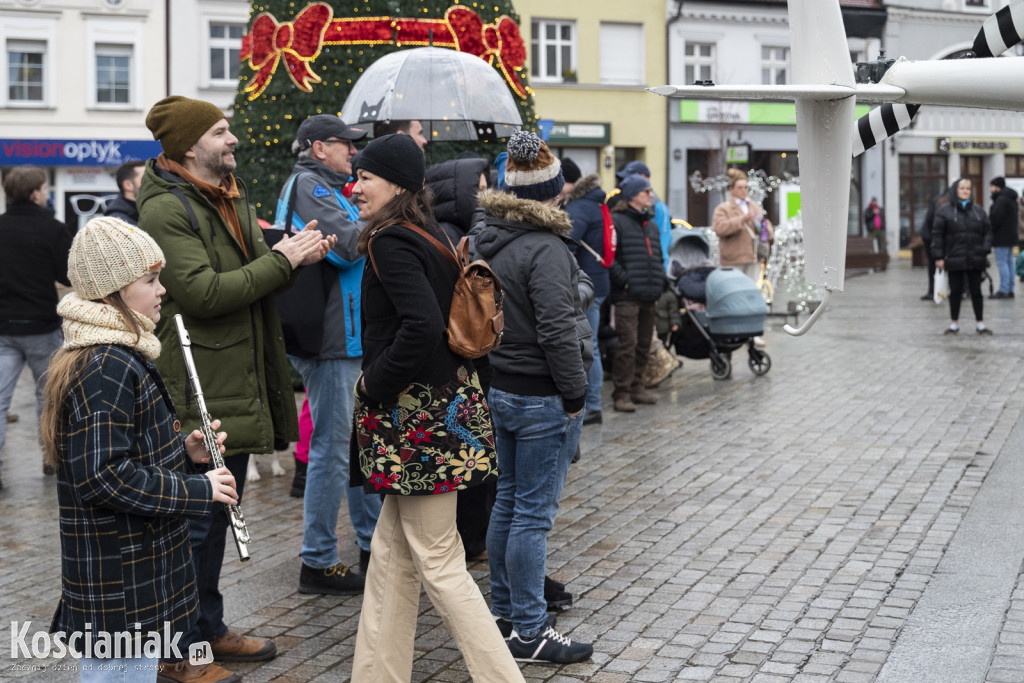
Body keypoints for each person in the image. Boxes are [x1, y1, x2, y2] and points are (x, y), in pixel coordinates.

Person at [137, 95, 335, 682]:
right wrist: (284, 261)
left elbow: (251, 262)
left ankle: (209, 626)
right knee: (194, 523)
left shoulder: (228, 192)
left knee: (218, 516)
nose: (233, 140)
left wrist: (293, 251)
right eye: (221, 132)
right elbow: (201, 293)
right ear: (189, 146)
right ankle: (178, 651)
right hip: (201, 380)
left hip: (236, 374)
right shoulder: (165, 210)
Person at [347, 133, 523, 681]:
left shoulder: (391, 240)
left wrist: (372, 383)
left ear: (395, 183)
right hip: (437, 424)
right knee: (392, 555)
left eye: (366, 178)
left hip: (416, 429)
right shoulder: (430, 235)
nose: (355, 188)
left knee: (441, 563)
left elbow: (422, 326)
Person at [42, 216, 236, 682]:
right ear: (112, 291)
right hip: (121, 572)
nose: (161, 290)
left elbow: (121, 452)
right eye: (149, 280)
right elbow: (102, 474)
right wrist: (196, 490)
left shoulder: (117, 352)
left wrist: (182, 454)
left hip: (129, 565)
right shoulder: (105, 363)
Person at [472, 130, 594, 664]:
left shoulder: (487, 236)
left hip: (502, 385)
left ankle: (502, 615)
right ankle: (528, 629)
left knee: (508, 503)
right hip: (543, 394)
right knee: (532, 516)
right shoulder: (543, 246)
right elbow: (557, 331)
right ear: (551, 193)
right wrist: (576, 395)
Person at [277, 113, 382, 592]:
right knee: (333, 451)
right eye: (346, 145)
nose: (353, 153)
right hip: (331, 339)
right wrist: (381, 212)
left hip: (343, 336)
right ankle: (317, 561)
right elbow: (350, 246)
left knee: (353, 448)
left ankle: (371, 545)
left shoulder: (324, 185)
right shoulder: (310, 186)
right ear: (320, 148)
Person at [0, 166, 71, 488]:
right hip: (42, 326)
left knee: (1, 399)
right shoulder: (53, 229)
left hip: (4, 328)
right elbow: (67, 276)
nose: (46, 194)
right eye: (44, 189)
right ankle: (50, 457)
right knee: (50, 398)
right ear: (34, 193)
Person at [609, 173, 666, 413]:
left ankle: (637, 386)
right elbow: (610, 258)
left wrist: (660, 281)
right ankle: (621, 392)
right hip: (628, 296)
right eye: (646, 192)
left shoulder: (650, 224)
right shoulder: (617, 221)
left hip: (649, 294)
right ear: (633, 196)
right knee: (628, 344)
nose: (651, 195)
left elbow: (658, 257)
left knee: (643, 344)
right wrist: (626, 282)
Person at [565, 171, 609, 426]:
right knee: (592, 342)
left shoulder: (580, 207)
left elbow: (567, 243)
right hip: (600, 280)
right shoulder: (598, 205)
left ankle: (592, 405)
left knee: (588, 345)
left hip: (587, 284)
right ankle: (593, 403)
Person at [932, 177, 993, 335]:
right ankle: (954, 324)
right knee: (956, 292)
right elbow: (937, 234)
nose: (965, 191)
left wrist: (984, 248)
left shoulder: (978, 210)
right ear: (955, 191)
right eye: (962, 188)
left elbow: (988, 231)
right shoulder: (945, 210)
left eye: (968, 189)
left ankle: (980, 323)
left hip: (975, 258)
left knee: (976, 291)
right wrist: (939, 256)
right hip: (954, 258)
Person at [713, 168, 774, 282]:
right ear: (731, 189)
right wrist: (742, 219)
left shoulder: (754, 206)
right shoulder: (723, 208)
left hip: (754, 257)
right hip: (733, 259)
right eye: (739, 188)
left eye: (745, 187)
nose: (743, 191)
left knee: (752, 289)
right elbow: (719, 228)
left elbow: (766, 229)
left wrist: (766, 227)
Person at [988, 176, 1018, 299]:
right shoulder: (1010, 198)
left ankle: (1004, 290)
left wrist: (989, 229)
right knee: (1010, 262)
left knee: (1002, 263)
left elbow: (995, 219)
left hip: (1002, 236)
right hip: (1010, 235)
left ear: (997, 187)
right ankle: (1010, 289)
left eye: (991, 186)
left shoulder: (1001, 200)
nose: (990, 189)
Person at [919, 189, 948, 301]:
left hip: (930, 235)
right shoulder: (942, 202)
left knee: (934, 265)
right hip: (931, 236)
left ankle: (934, 290)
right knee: (934, 264)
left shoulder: (939, 199)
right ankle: (934, 291)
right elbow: (934, 221)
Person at [104, 160, 146, 225]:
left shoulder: (144, 213)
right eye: (145, 178)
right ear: (128, 185)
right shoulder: (119, 225)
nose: (152, 183)